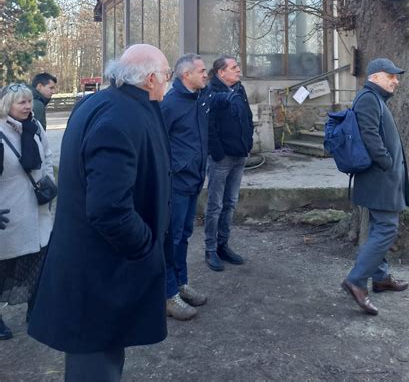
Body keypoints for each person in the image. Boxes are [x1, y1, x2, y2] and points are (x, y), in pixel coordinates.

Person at [28, 44, 172, 382]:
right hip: (99, 272)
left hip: (98, 268)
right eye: (166, 76)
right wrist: (145, 246)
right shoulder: (119, 117)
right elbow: (109, 208)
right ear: (150, 79)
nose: (168, 83)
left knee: (104, 352)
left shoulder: (105, 103)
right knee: (94, 364)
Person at [342, 58, 409, 316]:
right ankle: (356, 280)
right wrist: (387, 161)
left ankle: (381, 278)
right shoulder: (369, 99)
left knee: (378, 227)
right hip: (379, 178)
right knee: (386, 228)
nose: (396, 80)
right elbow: (369, 135)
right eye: (391, 75)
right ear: (374, 77)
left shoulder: (375, 99)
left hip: (380, 178)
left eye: (396, 75)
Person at [0, 83, 55, 341]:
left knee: (40, 262)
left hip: (38, 208)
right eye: (19, 102)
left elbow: (47, 154)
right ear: (6, 105)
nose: (26, 106)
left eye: (27, 101)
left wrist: (49, 183)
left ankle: (37, 310)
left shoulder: (35, 127)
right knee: (5, 268)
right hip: (9, 214)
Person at [160, 54, 211, 321]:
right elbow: (159, 144)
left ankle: (181, 283)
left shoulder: (199, 99)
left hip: (194, 179)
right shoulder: (170, 104)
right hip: (176, 183)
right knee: (173, 237)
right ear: (186, 75)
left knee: (185, 234)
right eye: (201, 71)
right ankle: (168, 295)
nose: (206, 74)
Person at [204, 55, 254, 271]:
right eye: (234, 67)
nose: (238, 70)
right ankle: (210, 249)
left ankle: (224, 245)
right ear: (220, 72)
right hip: (221, 158)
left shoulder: (240, 90)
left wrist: (248, 143)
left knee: (230, 203)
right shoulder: (211, 92)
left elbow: (247, 118)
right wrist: (217, 153)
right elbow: (208, 125)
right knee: (215, 206)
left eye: (238, 66)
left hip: (239, 155)